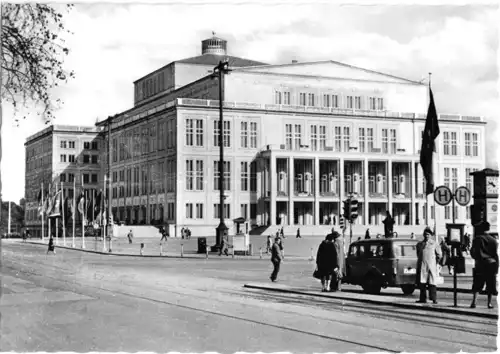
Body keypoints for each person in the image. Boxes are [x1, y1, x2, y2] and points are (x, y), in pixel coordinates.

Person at [470, 221, 498, 309]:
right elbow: (495, 254)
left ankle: (474, 302)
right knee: (490, 284)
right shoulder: (493, 240)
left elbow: (472, 252)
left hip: (480, 264)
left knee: (477, 284)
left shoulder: (477, 239)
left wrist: (476, 258)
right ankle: (489, 303)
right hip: (491, 264)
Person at [416, 227, 442, 304]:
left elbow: (439, 255)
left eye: (428, 234)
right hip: (423, 266)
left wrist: (435, 262)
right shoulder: (420, 244)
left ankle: (434, 299)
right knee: (422, 283)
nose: (426, 236)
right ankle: (423, 298)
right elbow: (418, 254)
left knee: (432, 283)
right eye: (425, 234)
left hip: (431, 266)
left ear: (430, 235)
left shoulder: (434, 244)